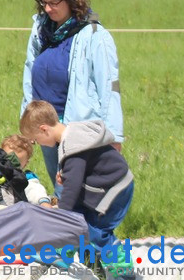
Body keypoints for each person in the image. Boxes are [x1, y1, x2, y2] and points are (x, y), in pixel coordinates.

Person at [21, 0, 123, 197]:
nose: (48, 9)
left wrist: (115, 135)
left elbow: (109, 86)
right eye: (44, 3)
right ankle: (68, 232)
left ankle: (88, 234)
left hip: (78, 132)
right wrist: (27, 119)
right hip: (45, 129)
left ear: (71, 0)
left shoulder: (95, 35)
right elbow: (29, 72)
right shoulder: (40, 30)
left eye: (54, 3)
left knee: (77, 196)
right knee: (60, 191)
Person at [20, 100, 134, 272]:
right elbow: (80, 171)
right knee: (77, 216)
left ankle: (124, 271)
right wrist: (65, 176)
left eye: (35, 140)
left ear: (44, 129)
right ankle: (66, 253)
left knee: (96, 232)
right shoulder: (72, 134)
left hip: (114, 190)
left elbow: (72, 188)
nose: (38, 144)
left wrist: (61, 216)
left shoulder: (73, 146)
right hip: (106, 185)